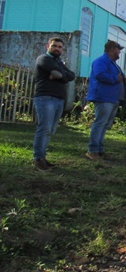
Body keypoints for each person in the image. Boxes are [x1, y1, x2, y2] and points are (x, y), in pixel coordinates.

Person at [32, 37, 76, 171]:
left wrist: (60, 75)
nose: (57, 48)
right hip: (46, 97)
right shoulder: (43, 59)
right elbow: (65, 76)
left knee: (51, 130)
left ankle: (43, 157)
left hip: (58, 99)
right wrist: (63, 76)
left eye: (60, 47)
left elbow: (71, 75)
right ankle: (38, 158)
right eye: (54, 46)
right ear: (48, 46)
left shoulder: (59, 62)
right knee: (44, 128)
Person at [86, 40, 126, 160]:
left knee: (105, 125)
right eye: (118, 49)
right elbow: (99, 75)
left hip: (113, 98)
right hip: (104, 97)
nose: (119, 52)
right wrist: (116, 78)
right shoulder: (101, 61)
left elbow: (120, 77)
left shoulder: (114, 64)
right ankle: (92, 150)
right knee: (100, 123)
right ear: (112, 49)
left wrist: (124, 80)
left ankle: (100, 150)